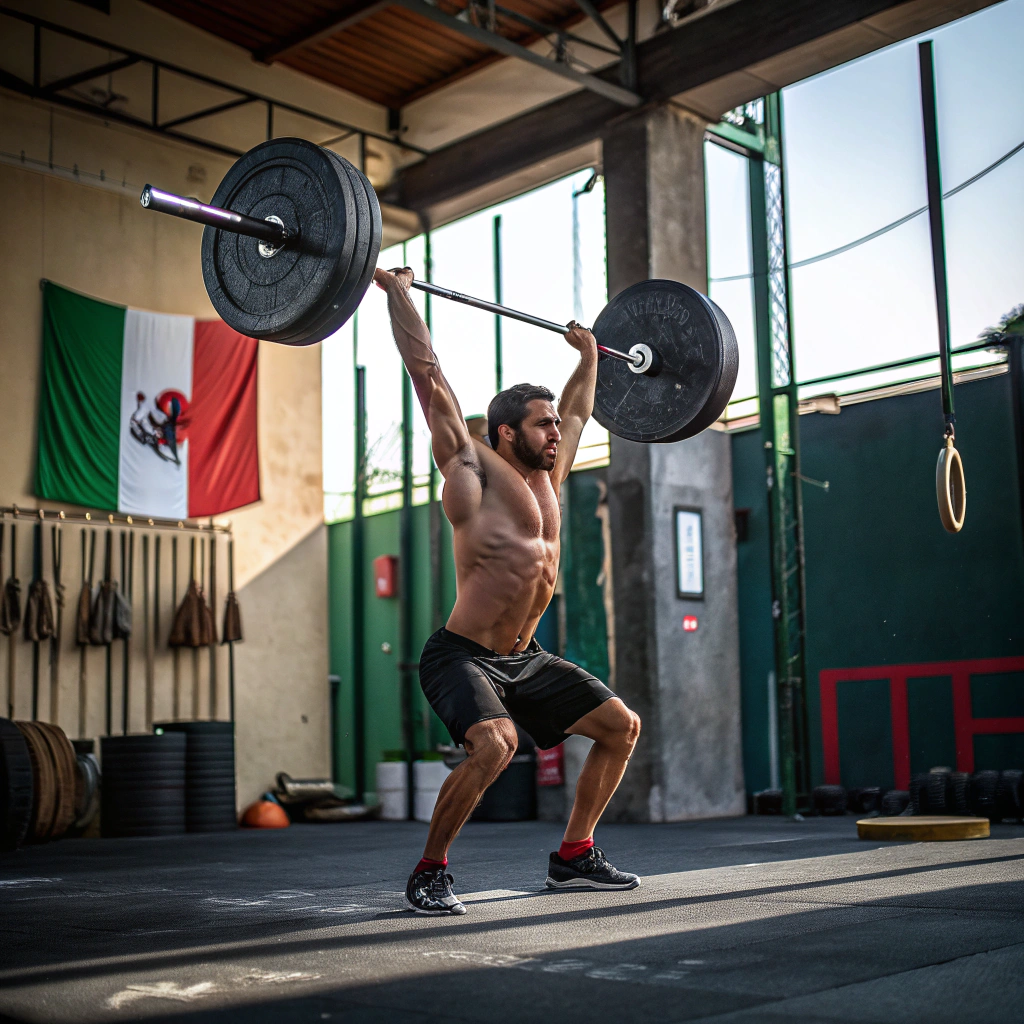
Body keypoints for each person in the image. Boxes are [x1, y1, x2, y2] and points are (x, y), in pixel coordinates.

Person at [374, 267, 642, 916]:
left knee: (620, 727)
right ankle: (430, 871)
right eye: (542, 425)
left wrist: (587, 357)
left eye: (553, 425)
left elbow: (580, 407)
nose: (557, 433)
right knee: (497, 744)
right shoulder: (470, 474)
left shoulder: (552, 477)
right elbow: (427, 377)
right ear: (505, 432)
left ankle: (574, 855)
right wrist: (397, 292)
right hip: (462, 654)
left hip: (524, 657)